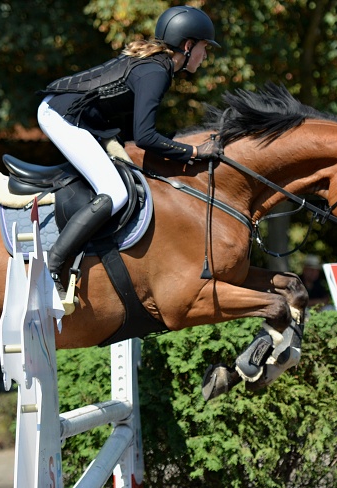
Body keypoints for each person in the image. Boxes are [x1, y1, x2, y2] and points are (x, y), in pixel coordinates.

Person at [37, 6, 221, 310]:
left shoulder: (158, 66)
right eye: (204, 48)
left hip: (79, 118)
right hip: (61, 116)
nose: (205, 55)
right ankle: (52, 265)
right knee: (116, 192)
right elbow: (146, 137)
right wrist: (195, 151)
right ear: (188, 46)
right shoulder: (156, 72)